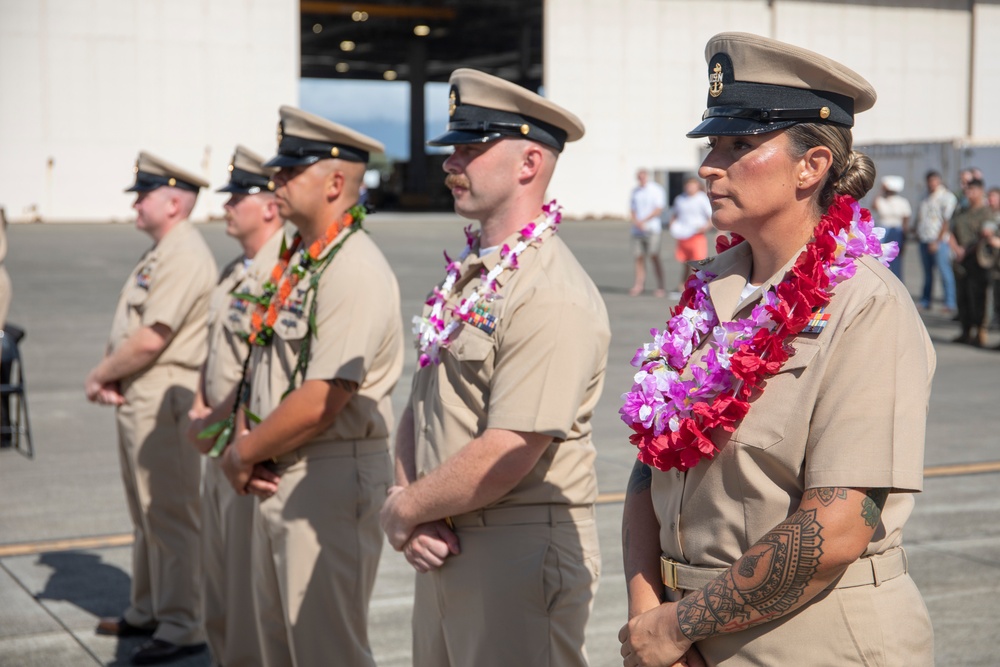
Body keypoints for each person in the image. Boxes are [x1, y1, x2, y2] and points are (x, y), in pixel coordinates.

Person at [619, 33, 935, 666]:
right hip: (688, 635)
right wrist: (648, 618)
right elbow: (651, 464)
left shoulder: (864, 304)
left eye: (739, 145)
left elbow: (836, 528)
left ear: (810, 167)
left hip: (815, 640)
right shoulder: (714, 290)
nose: (710, 164)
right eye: (713, 143)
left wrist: (677, 625)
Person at [380, 68, 611, 667]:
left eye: (471, 148)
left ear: (529, 163)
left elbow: (512, 445)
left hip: (516, 547)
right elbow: (424, 400)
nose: (451, 162)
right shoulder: (476, 276)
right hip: (446, 536)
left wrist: (406, 509)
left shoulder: (548, 290)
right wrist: (409, 499)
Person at [218, 106, 403, 667]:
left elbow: (324, 397)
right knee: (281, 646)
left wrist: (240, 453)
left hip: (328, 475)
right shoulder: (299, 259)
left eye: (289, 171)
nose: (274, 180)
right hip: (284, 469)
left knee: (325, 650)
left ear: (336, 183)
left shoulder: (353, 267)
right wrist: (252, 442)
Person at [85, 152, 215, 665]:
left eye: (145, 195)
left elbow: (151, 337)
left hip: (165, 396)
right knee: (145, 511)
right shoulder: (163, 250)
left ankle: (184, 624)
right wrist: (115, 374)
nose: (136, 203)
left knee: (170, 512)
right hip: (142, 393)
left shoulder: (183, 253)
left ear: (175, 202)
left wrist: (101, 374)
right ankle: (148, 609)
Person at [186, 145, 285, 667]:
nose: (226, 206)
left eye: (238, 197)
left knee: (247, 597)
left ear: (269, 205)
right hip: (217, 442)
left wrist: (221, 423)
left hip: (246, 448)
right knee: (218, 588)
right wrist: (201, 409)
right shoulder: (234, 271)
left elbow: (259, 373)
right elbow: (216, 354)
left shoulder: (281, 275)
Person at [948, 178, 993, 346]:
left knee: (979, 296)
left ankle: (981, 331)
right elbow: (950, 230)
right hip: (961, 259)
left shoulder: (986, 212)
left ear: (981, 191)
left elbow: (984, 236)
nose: (969, 194)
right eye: (967, 190)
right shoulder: (961, 210)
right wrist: (956, 248)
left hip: (978, 259)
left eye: (972, 190)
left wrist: (966, 251)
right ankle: (966, 330)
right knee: (963, 295)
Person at [915, 170, 958, 313]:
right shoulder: (925, 196)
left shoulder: (946, 197)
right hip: (924, 238)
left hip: (939, 240)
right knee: (927, 273)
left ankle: (950, 302)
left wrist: (938, 241)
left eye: (934, 181)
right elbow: (921, 216)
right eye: (929, 181)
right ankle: (926, 301)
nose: (932, 184)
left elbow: (946, 221)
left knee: (944, 271)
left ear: (939, 181)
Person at [668, 177, 713, 296]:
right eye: (688, 185)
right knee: (685, 263)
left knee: (698, 263)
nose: (690, 188)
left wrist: (705, 227)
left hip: (697, 235)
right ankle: (683, 286)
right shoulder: (680, 199)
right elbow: (675, 215)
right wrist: (673, 226)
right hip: (683, 235)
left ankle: (700, 287)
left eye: (692, 185)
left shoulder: (702, 199)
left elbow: (710, 217)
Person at [629, 169, 668, 297]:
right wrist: (637, 221)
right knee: (638, 257)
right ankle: (639, 284)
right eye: (639, 177)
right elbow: (633, 209)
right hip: (637, 229)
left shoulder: (656, 189)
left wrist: (644, 220)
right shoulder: (635, 191)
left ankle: (660, 285)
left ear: (647, 177)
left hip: (652, 228)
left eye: (643, 176)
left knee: (654, 256)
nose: (641, 179)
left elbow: (658, 209)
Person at [871, 175, 911, 280]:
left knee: (896, 260)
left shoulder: (902, 202)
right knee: (880, 259)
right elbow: (873, 205)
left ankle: (898, 284)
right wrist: (880, 190)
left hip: (897, 230)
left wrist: (904, 238)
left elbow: (905, 221)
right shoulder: (881, 200)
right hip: (883, 230)